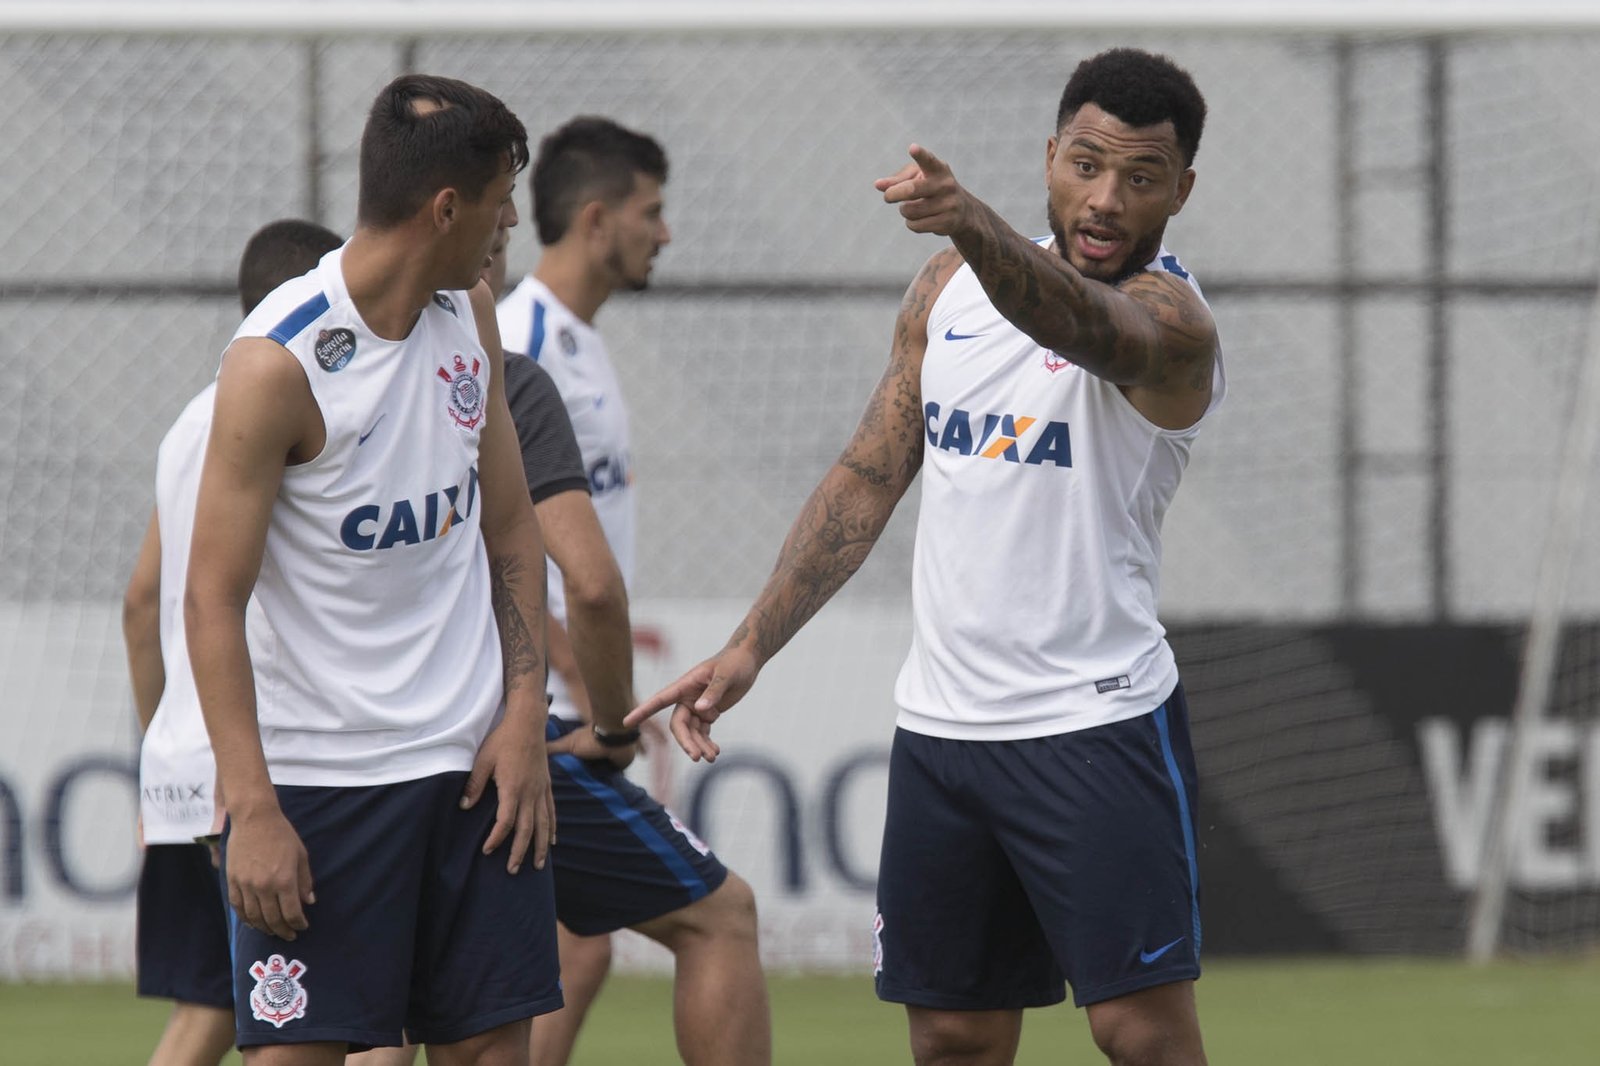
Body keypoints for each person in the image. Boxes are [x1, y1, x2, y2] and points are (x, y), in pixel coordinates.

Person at [630, 48, 1221, 1066]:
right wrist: (749, 646)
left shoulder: (1174, 325)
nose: (1106, 198)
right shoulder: (946, 286)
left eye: (1140, 176)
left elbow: (1091, 329)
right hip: (943, 735)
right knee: (951, 1036)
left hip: (1095, 723)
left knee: (1140, 1033)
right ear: (1049, 156)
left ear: (1182, 189)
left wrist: (975, 222)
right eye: (1084, 164)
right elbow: (867, 474)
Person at [184, 74, 561, 1064]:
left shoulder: (470, 315)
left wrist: (525, 716)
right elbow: (209, 599)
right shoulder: (277, 363)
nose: (510, 221)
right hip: (321, 790)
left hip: (474, 777)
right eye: (500, 200)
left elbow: (512, 530)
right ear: (447, 208)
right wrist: (252, 805)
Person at [494, 116, 770, 1066]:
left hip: (561, 709)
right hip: (540, 717)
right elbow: (521, 556)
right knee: (719, 916)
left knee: (571, 946)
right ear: (599, 217)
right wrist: (594, 702)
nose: (667, 233)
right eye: (653, 212)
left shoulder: (578, 344)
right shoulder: (516, 341)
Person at [125, 218, 343, 1066]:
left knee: (208, 1015)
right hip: (253, 776)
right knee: (326, 1023)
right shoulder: (290, 414)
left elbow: (144, 600)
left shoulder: (189, 422)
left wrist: (161, 753)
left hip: (182, 771)